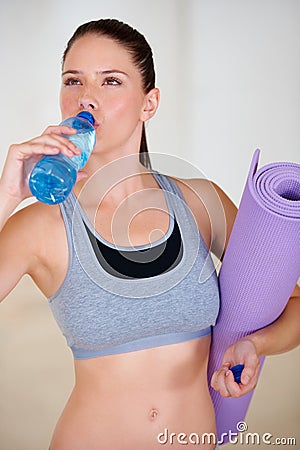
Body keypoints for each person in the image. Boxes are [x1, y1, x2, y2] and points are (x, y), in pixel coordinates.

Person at [0, 18, 299, 450]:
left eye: (111, 81)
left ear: (149, 102)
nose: (87, 97)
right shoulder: (43, 226)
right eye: (74, 80)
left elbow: (294, 303)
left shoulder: (199, 204)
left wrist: (255, 345)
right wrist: (7, 195)